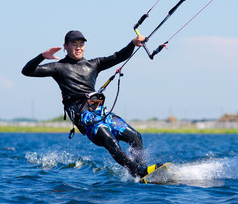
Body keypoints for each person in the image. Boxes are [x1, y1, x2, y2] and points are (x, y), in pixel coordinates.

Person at [22, 30, 161, 178]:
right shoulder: (58, 67)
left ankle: (143, 171)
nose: (78, 47)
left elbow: (119, 56)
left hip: (100, 112)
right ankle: (137, 171)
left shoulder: (93, 64)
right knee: (110, 140)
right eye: (74, 44)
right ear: (65, 47)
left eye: (81, 44)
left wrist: (132, 43)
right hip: (83, 116)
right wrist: (42, 56)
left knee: (136, 137)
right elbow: (27, 71)